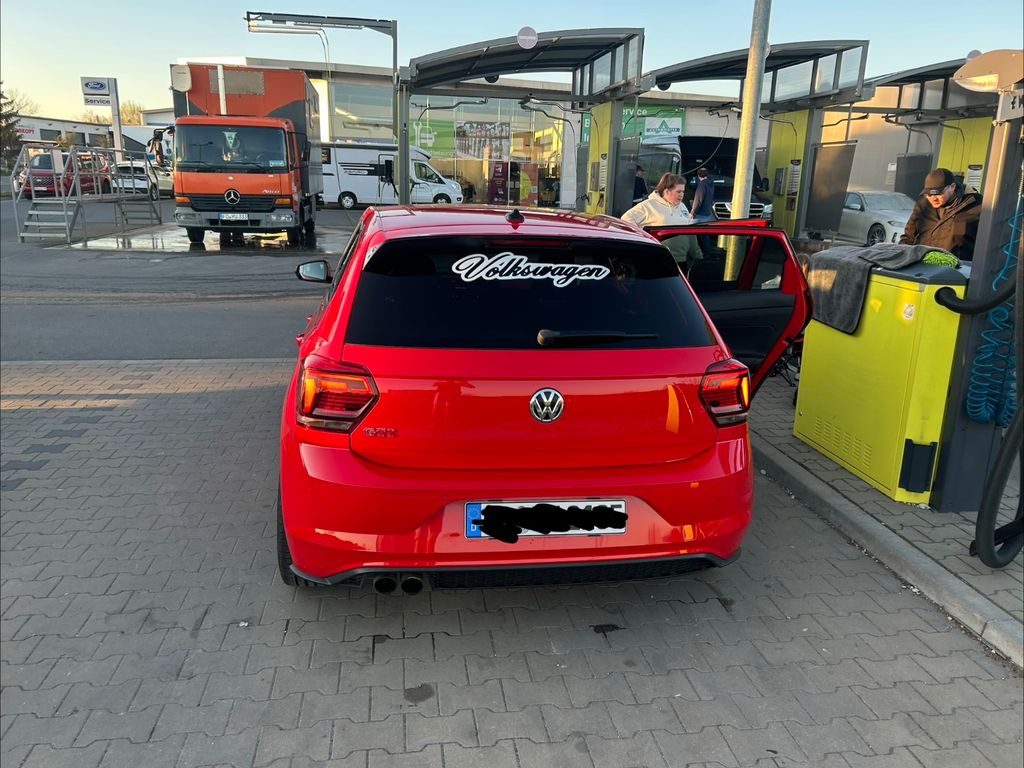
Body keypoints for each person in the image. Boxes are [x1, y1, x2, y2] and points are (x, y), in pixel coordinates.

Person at [899, 167, 983, 261]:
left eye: (938, 194)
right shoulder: (923, 205)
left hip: (956, 267)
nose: (933, 199)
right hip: (922, 265)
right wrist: (902, 259)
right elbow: (908, 238)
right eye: (929, 195)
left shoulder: (976, 206)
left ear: (952, 187)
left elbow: (984, 245)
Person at [621, 172, 701, 269]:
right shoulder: (648, 205)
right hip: (658, 259)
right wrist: (643, 241)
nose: (682, 195)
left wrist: (697, 255)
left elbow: (690, 232)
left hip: (682, 260)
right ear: (667, 191)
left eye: (683, 192)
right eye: (678, 192)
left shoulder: (682, 206)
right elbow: (626, 219)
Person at [690, 167, 716, 253]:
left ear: (698, 175)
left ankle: (695, 252)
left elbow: (698, 200)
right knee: (704, 235)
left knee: (690, 232)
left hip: (699, 214)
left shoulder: (702, 185)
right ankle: (706, 252)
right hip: (707, 213)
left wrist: (693, 212)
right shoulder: (711, 184)